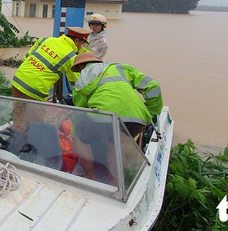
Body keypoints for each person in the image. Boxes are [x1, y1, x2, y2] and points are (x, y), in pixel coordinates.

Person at [70, 52, 163, 182]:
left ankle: (89, 175)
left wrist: (75, 132)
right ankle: (117, 182)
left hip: (106, 117)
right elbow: (153, 86)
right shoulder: (121, 68)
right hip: (137, 119)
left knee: (81, 138)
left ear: (80, 68)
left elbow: (80, 111)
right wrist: (150, 113)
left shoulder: (83, 78)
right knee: (114, 145)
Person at [11, 27, 92, 102]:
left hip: (18, 80)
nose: (80, 47)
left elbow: (27, 57)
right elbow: (77, 82)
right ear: (76, 41)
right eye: (81, 44)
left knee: (18, 113)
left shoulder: (45, 39)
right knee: (39, 117)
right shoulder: (71, 56)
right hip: (36, 89)